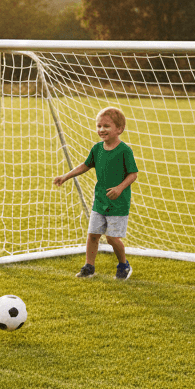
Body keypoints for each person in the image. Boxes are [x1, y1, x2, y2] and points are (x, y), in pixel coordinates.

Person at [53, 107, 139, 280]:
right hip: (100, 201)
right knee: (93, 235)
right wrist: (65, 176)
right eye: (99, 126)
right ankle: (89, 267)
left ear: (119, 129)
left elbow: (133, 174)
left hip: (118, 203)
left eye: (106, 126)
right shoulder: (97, 148)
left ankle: (124, 265)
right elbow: (85, 165)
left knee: (112, 238)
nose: (101, 129)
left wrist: (119, 188)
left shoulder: (124, 150)